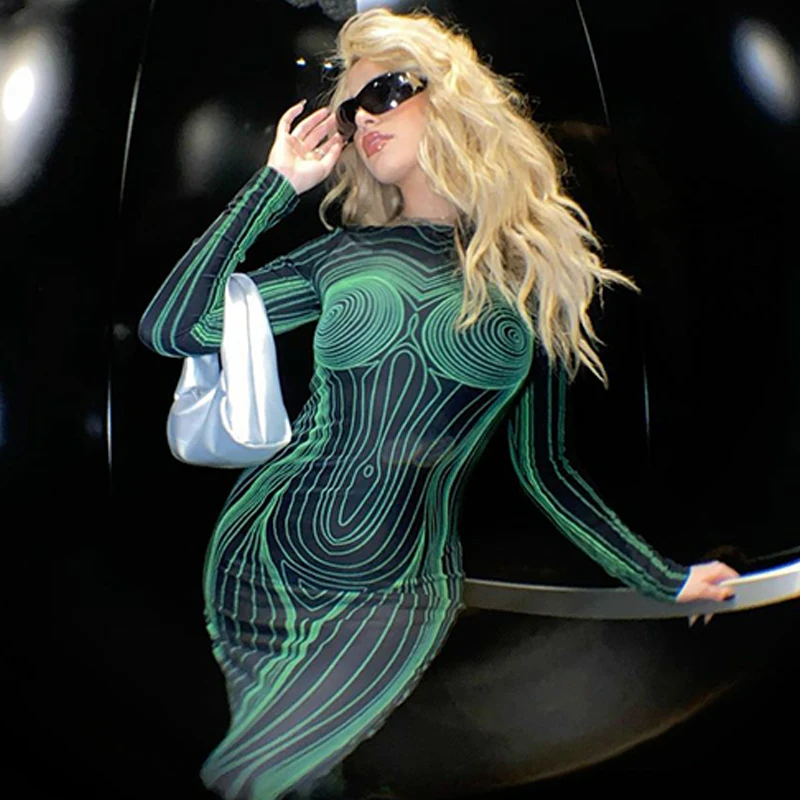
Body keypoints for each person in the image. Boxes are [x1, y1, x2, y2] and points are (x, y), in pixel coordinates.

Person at [138, 8, 739, 800]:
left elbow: (548, 472)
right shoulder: (344, 254)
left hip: (398, 589)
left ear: (450, 95)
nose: (363, 119)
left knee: (256, 773)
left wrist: (662, 578)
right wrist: (273, 187)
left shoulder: (527, 280)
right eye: (349, 110)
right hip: (262, 557)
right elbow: (171, 328)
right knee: (300, 776)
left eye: (385, 91)